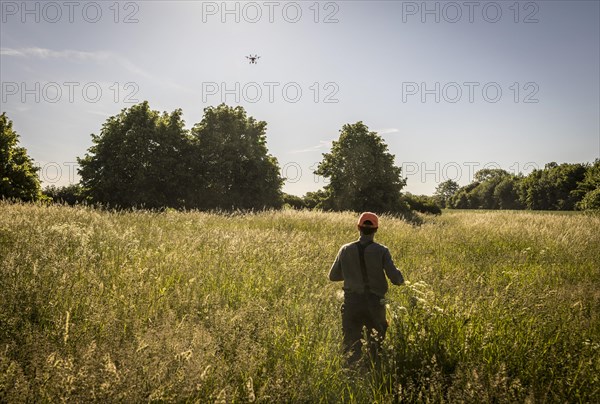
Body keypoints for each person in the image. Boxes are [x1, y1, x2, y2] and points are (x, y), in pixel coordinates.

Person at [328, 212, 405, 366]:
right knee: (376, 346)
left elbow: (333, 276)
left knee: (351, 345)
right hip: (375, 304)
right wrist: (400, 277)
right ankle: (374, 373)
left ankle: (351, 375)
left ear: (358, 227)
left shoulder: (345, 249)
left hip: (351, 303)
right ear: (376, 229)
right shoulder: (382, 251)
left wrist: (352, 274)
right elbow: (397, 280)